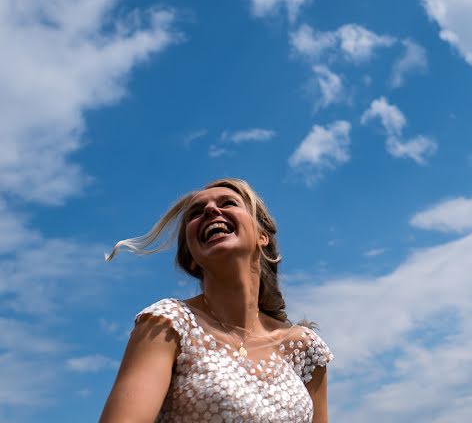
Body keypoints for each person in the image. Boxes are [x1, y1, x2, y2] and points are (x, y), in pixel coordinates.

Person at [101, 178, 331, 423]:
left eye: (228, 203)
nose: (211, 211)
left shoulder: (305, 348)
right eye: (196, 213)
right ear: (190, 257)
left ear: (262, 237)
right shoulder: (168, 323)